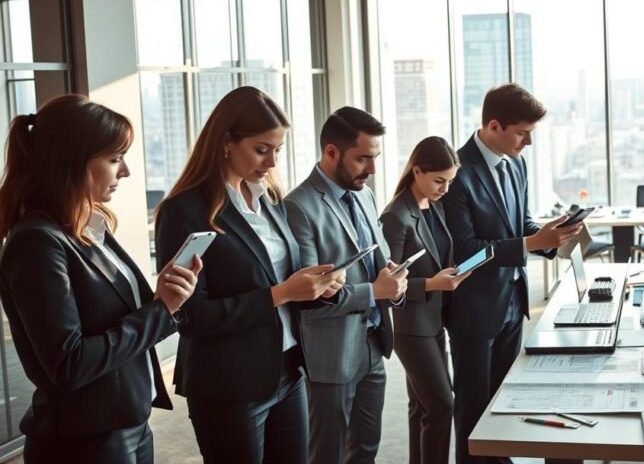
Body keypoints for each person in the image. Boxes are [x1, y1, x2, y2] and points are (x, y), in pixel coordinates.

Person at [0, 95, 199, 464]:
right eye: (114, 159)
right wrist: (160, 311)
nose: (124, 172)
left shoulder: (90, 228)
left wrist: (165, 296)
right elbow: (69, 364)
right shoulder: (36, 243)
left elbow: (120, 317)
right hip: (82, 443)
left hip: (127, 424)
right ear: (72, 164)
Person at [154, 86, 343, 464]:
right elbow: (191, 316)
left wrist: (319, 288)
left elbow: (281, 277)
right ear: (226, 142)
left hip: (287, 370)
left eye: (277, 150)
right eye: (261, 149)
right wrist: (281, 294)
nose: (272, 162)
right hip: (229, 386)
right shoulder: (184, 210)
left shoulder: (268, 199)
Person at [443, 84, 582, 464]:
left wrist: (547, 235)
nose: (529, 143)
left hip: (511, 299)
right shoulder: (456, 171)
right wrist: (531, 244)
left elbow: (518, 223)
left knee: (503, 401)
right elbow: (466, 252)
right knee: (473, 406)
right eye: (523, 133)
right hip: (475, 306)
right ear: (493, 125)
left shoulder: (515, 162)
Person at [284, 106, 409, 464]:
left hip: (373, 344)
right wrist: (375, 292)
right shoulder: (299, 206)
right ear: (331, 152)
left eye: (375, 158)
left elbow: (379, 261)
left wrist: (393, 282)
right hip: (332, 353)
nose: (371, 169)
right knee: (328, 453)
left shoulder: (365, 195)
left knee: (366, 451)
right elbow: (311, 296)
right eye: (363, 159)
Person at [380, 136, 473, 464]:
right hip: (411, 326)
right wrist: (432, 283)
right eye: (439, 181)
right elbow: (386, 282)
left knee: (421, 406)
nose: (445, 189)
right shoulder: (395, 216)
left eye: (449, 181)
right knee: (441, 405)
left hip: (435, 321)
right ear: (416, 171)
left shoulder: (433, 206)